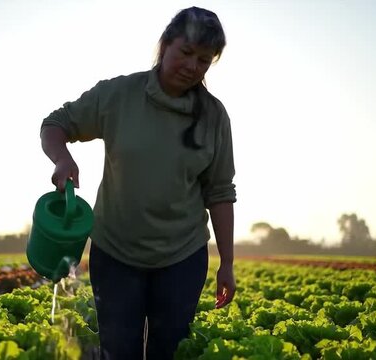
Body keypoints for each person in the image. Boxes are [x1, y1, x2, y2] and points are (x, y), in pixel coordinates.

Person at [39, 6, 236, 360]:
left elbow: (220, 192)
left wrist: (228, 263)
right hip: (116, 253)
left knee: (169, 352)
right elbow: (56, 123)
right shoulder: (118, 96)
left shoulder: (213, 116)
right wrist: (63, 159)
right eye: (186, 53)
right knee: (120, 351)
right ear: (165, 45)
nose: (193, 66)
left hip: (182, 255)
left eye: (204, 60)